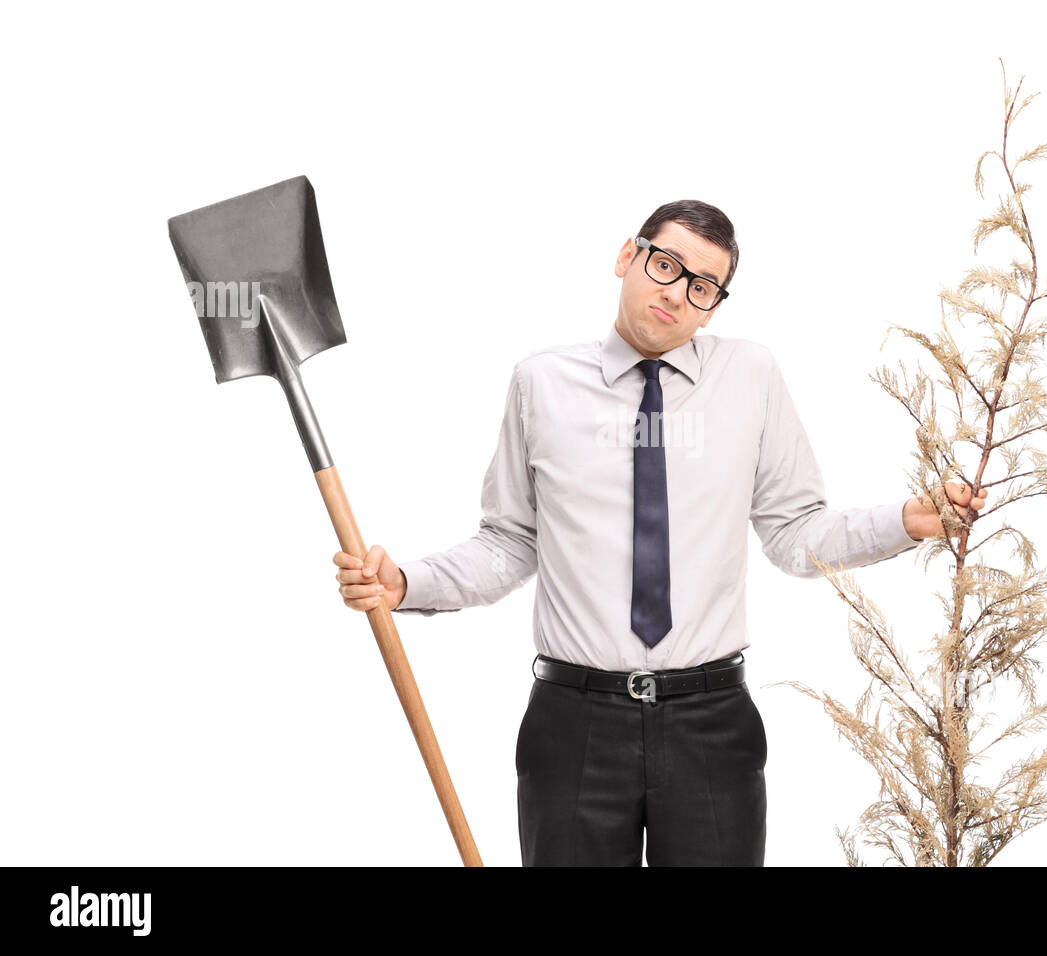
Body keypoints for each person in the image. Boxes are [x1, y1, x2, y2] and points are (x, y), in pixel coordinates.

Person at [331, 200, 986, 866]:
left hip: (711, 725)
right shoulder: (541, 383)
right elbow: (509, 543)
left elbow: (794, 534)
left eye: (701, 286)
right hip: (573, 725)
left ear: (714, 306)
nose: (676, 292)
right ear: (627, 256)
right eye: (665, 265)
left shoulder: (750, 377)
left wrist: (908, 521)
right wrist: (406, 583)